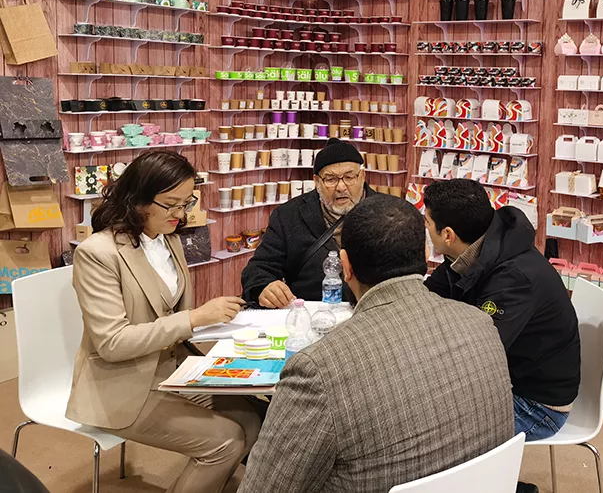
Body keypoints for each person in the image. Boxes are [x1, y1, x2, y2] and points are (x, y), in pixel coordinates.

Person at [239, 195, 514, 493]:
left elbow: (265, 487)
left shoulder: (319, 368)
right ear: (425, 254)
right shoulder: (479, 323)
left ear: (345, 266)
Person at [66, 152, 261, 493]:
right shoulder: (98, 253)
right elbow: (112, 343)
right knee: (225, 441)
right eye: (171, 205)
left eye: (186, 203)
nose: (181, 214)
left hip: (173, 368)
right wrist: (194, 318)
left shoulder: (168, 237)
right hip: (121, 384)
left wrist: (211, 325)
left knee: (253, 422)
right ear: (137, 199)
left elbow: (169, 313)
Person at [423, 179, 581, 444]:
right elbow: (430, 293)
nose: (425, 229)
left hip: (536, 406)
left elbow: (480, 354)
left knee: (425, 428)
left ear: (448, 235)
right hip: (507, 380)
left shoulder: (514, 278)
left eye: (427, 223)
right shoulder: (473, 250)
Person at [241, 138, 377, 307]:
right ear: (317, 181)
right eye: (331, 179)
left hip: (375, 311)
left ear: (362, 176)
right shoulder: (288, 215)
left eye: (349, 177)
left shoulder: (390, 212)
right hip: (310, 313)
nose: (341, 187)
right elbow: (259, 268)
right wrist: (264, 287)